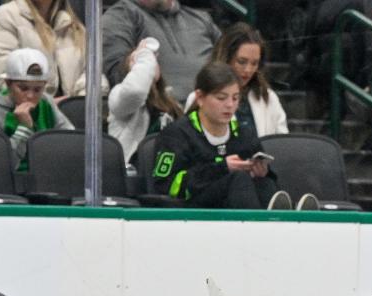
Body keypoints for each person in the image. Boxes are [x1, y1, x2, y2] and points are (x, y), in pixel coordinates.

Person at [152, 62, 294, 210]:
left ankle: (285, 221)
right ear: (200, 97)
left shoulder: (244, 135)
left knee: (266, 184)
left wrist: (262, 172)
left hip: (237, 203)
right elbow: (165, 185)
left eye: (235, 98)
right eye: (221, 98)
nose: (230, 105)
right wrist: (222, 168)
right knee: (238, 179)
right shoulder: (177, 134)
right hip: (194, 211)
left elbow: (265, 178)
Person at [102, 0, 221, 103]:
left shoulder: (201, 19)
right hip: (160, 119)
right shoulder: (120, 16)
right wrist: (133, 63)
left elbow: (230, 63)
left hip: (216, 114)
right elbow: (116, 76)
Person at [183, 23, 288, 137]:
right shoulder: (199, 98)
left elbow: (282, 144)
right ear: (227, 58)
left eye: (254, 63)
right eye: (242, 62)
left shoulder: (269, 98)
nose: (248, 70)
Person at [0, 47, 72, 168]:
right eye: (23, 88)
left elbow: (70, 138)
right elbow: (0, 165)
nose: (30, 96)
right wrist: (24, 127)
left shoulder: (46, 101)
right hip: (14, 180)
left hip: (47, 175)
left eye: (38, 89)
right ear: (8, 84)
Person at [0, 0, 92, 98]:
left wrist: (77, 103)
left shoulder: (74, 24)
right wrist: (49, 106)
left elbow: (94, 75)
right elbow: (7, 80)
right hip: (30, 111)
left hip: (73, 111)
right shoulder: (3, 18)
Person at [108, 38, 183, 164]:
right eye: (137, 60)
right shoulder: (118, 96)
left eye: (153, 59)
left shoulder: (172, 102)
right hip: (137, 172)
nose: (150, 62)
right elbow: (135, 90)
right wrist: (143, 54)